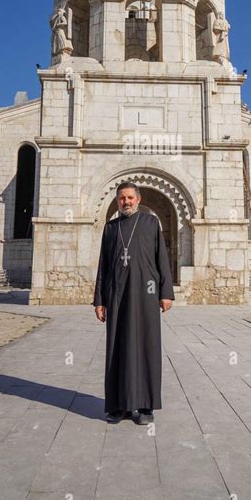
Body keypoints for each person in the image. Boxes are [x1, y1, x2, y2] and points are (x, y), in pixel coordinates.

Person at [93, 182, 174, 425]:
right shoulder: (110, 228)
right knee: (118, 348)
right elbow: (103, 267)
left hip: (146, 296)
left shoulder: (150, 224)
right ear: (117, 201)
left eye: (130, 198)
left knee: (146, 347)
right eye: (121, 198)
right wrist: (99, 300)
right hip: (117, 295)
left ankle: (145, 406)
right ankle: (120, 407)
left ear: (138, 200)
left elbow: (162, 260)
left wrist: (166, 292)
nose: (126, 202)